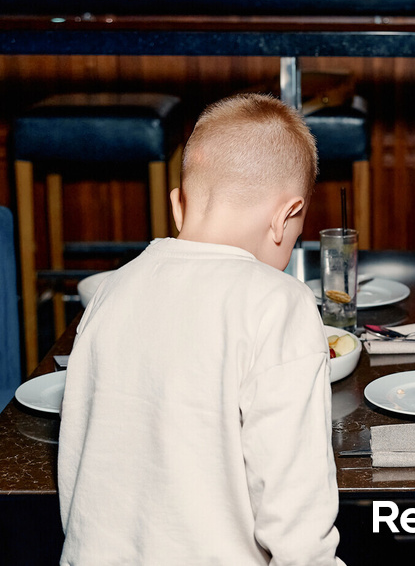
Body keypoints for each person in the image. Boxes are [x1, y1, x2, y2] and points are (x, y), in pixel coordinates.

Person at [58, 94, 343, 565]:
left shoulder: (111, 291)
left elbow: (77, 476)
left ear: (177, 204)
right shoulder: (279, 302)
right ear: (285, 216)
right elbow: (297, 525)